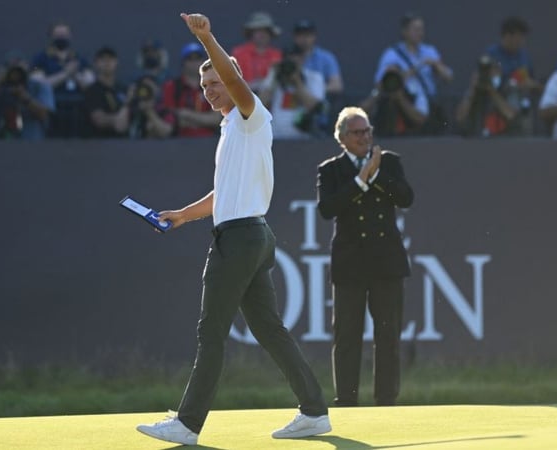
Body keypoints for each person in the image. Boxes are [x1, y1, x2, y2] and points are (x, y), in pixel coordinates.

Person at [136, 12, 331, 446]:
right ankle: (315, 411)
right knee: (269, 330)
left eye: (215, 83)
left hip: (241, 239)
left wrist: (207, 40)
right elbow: (222, 194)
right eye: (204, 87)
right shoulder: (231, 127)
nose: (208, 91)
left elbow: (233, 78)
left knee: (211, 332)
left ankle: (187, 425)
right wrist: (183, 215)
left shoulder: (251, 112)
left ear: (234, 78)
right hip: (253, 237)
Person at [316, 107, 413, 407]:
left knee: (388, 336)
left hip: (386, 262)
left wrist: (377, 173)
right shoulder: (330, 170)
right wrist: (360, 180)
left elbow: (406, 198)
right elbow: (327, 209)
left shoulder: (389, 162)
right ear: (342, 138)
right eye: (358, 133)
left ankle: (386, 402)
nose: (365, 137)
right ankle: (346, 401)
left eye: (368, 131)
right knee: (346, 337)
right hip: (350, 264)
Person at [372, 12, 452, 134]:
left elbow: (449, 77)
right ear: (404, 31)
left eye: (421, 29)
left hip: (428, 100)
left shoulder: (429, 51)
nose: (420, 33)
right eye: (416, 29)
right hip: (404, 99)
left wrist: (436, 66)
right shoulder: (392, 54)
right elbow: (381, 82)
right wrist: (418, 67)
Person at [0, 51, 55, 140]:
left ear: (27, 67)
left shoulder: (39, 86)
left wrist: (24, 96)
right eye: (12, 70)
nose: (15, 75)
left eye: (19, 69)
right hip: (0, 141)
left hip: (31, 141)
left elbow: (44, 116)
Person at [258, 43, 326, 139]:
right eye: (289, 59)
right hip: (276, 136)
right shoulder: (275, 78)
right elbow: (260, 105)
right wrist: (272, 75)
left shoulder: (314, 78)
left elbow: (314, 107)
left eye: (296, 59)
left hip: (303, 138)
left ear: (303, 59)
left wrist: (297, 81)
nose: (293, 63)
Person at [159, 42, 221, 138]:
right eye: (190, 59)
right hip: (179, 141)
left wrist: (186, 114)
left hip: (208, 141)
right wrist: (203, 120)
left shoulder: (212, 86)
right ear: (183, 62)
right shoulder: (172, 86)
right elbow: (171, 120)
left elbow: (216, 120)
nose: (194, 63)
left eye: (197, 58)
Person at [455, 55, 523, 137]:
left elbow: (511, 115)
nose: (489, 74)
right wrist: (472, 89)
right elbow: (460, 118)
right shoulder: (475, 89)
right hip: (476, 141)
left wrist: (491, 90)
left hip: (503, 141)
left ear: (500, 72)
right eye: (485, 71)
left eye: (493, 70)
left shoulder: (508, 88)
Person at [360, 67, 427, 137]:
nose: (391, 82)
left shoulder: (413, 94)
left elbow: (420, 119)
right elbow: (359, 114)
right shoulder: (378, 95)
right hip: (382, 140)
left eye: (394, 78)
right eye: (389, 78)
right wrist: (377, 92)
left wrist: (401, 98)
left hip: (408, 140)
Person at [230, 11, 283, 92]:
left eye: (265, 31)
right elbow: (233, 81)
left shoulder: (277, 55)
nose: (262, 34)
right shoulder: (239, 53)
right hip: (244, 96)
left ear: (270, 33)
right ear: (251, 33)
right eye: (258, 30)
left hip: (272, 98)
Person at [83, 46, 129, 138]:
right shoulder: (92, 90)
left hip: (125, 143)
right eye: (103, 59)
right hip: (100, 142)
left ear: (116, 62)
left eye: (111, 59)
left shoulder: (123, 89)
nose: (107, 62)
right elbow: (98, 119)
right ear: (96, 63)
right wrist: (117, 119)